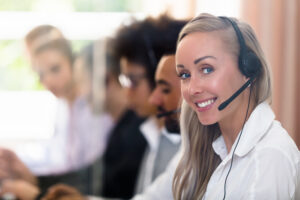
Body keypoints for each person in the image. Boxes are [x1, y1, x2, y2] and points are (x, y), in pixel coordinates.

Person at [173, 13, 300, 200]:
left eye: (207, 69)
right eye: (184, 75)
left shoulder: (268, 159)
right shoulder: (214, 147)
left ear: (248, 69)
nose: (192, 89)